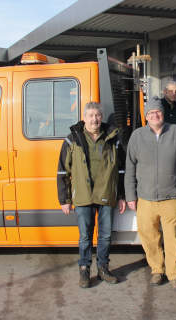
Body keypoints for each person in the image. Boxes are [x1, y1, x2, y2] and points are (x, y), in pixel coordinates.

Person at [125, 97, 176, 290]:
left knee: (173, 238)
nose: (155, 115)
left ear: (163, 113)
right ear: (146, 116)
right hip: (145, 199)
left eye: (158, 112)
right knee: (149, 237)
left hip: (172, 197)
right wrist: (130, 195)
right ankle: (157, 270)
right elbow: (129, 168)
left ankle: (174, 274)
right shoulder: (137, 136)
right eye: (150, 113)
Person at [57, 102, 126, 288]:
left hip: (106, 193)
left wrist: (121, 195)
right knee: (85, 237)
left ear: (101, 117)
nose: (94, 119)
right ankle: (84, 270)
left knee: (105, 236)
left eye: (97, 115)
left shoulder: (113, 138)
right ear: (84, 117)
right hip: (83, 196)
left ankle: (103, 268)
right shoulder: (72, 139)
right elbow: (63, 171)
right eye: (91, 115)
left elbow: (121, 170)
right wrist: (64, 199)